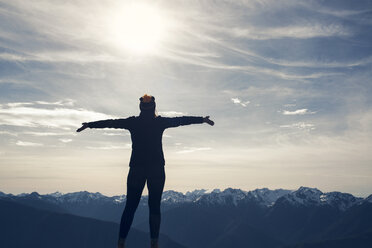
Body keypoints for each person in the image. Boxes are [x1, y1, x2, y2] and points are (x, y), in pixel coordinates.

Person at [76, 94, 214, 248]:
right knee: (154, 207)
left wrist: (90, 124)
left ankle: (121, 243)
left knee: (130, 207)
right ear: (154, 107)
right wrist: (202, 119)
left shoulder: (133, 122)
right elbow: (181, 120)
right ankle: (154, 243)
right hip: (156, 170)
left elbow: (111, 123)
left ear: (140, 108)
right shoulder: (160, 122)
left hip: (136, 169)